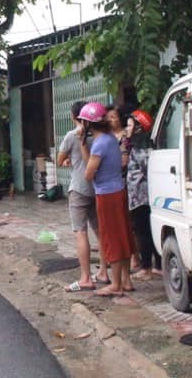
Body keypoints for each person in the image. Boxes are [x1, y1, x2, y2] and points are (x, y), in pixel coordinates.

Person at [80, 103, 135, 297]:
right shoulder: (110, 139)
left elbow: (88, 174)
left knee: (112, 238)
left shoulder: (100, 143)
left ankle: (116, 284)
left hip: (106, 195)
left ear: (88, 124)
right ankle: (126, 281)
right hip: (118, 190)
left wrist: (83, 148)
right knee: (123, 235)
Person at [58, 101, 107, 292]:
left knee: (80, 232)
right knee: (100, 232)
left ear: (73, 117)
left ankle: (86, 277)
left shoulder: (72, 136)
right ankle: (103, 272)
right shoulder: (99, 135)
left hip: (79, 188)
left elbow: (59, 159)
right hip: (97, 188)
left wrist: (69, 158)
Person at [126, 110, 161, 280]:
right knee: (145, 231)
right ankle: (155, 266)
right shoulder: (137, 145)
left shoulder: (142, 148)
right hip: (139, 197)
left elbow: (148, 171)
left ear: (139, 128)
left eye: (130, 125)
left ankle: (147, 267)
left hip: (142, 198)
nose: (127, 128)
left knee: (143, 232)